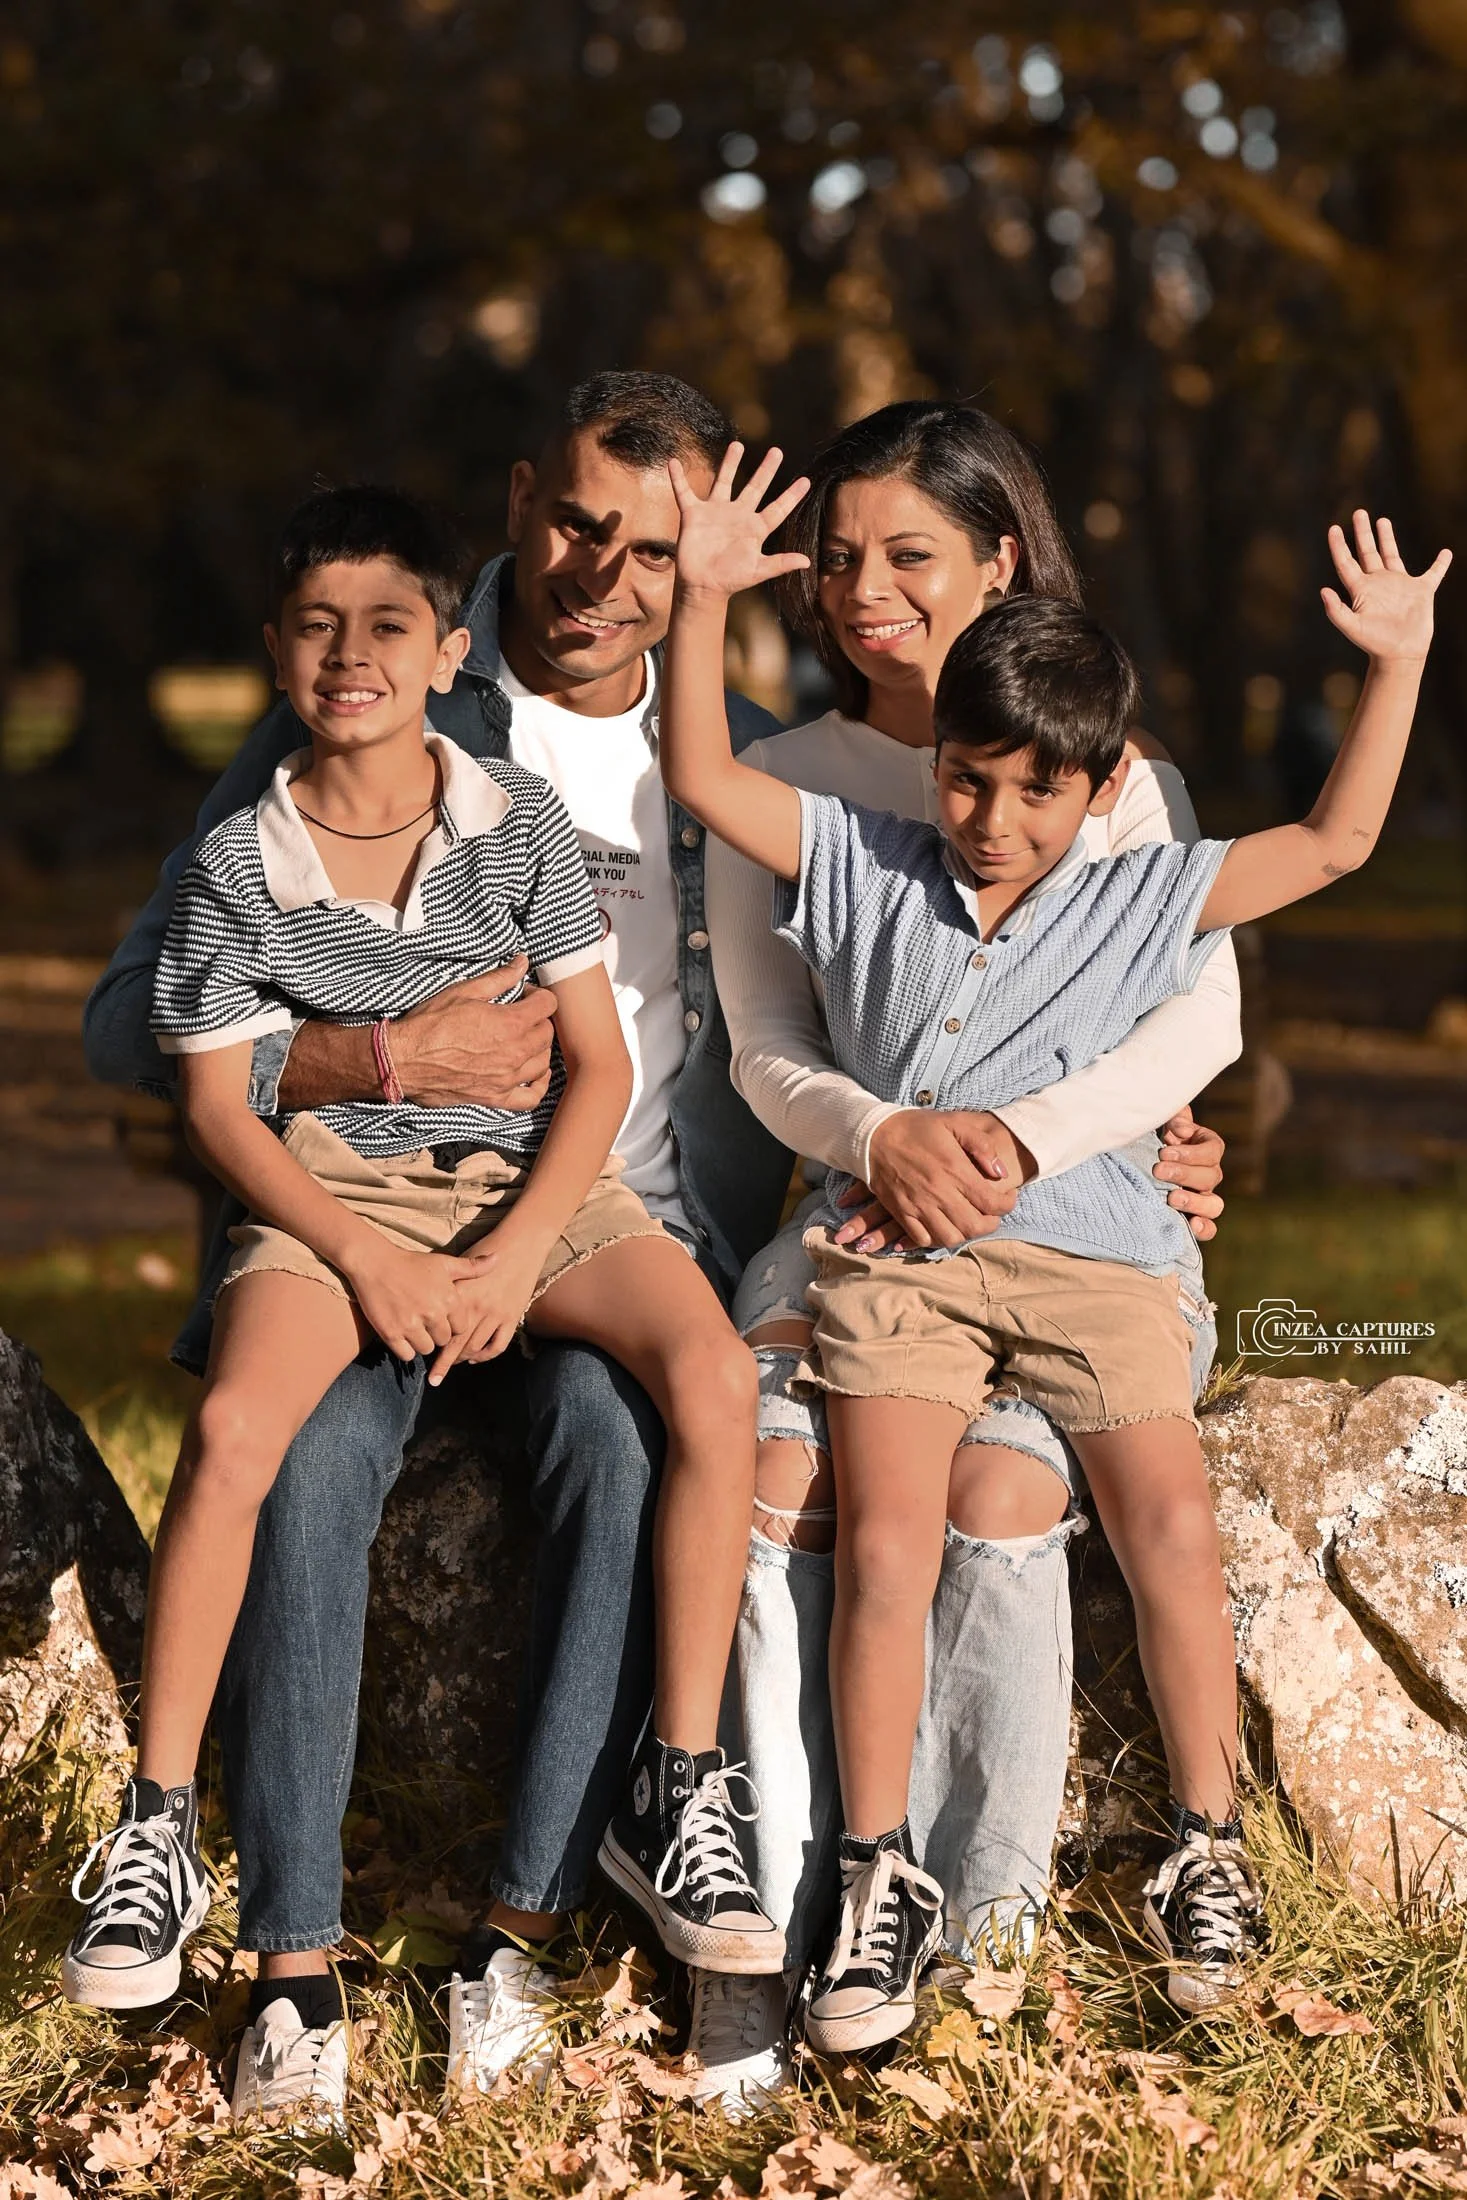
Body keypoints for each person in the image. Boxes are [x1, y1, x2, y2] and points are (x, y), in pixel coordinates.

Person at [80, 373, 795, 2121]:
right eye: (569, 522)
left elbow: (906, 994)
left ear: (703, 557)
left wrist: (1134, 1136)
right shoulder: (377, 682)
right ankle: (287, 1968)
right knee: (306, 1455)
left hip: (606, 1240)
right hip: (355, 1224)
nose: (599, 572)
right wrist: (374, 1057)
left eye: (650, 545)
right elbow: (133, 1029)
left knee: (633, 1454)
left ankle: (522, 1936)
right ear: (513, 500)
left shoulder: (741, 758)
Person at [664, 455, 1448, 2044]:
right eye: (966, 779)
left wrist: (1398, 663)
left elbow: (1341, 841)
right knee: (884, 1542)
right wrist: (698, 602)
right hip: (904, 1260)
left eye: (1036, 791)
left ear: (1099, 796)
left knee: (1165, 1522)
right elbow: (699, 777)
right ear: (932, 764)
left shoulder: (1144, 885)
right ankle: (879, 1872)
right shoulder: (858, 859)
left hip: (1095, 1256)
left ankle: (1204, 1849)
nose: (992, 818)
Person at [698, 401, 1236, 2100]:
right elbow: (764, 1047)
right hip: (860, 1212)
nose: (864, 591)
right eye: (839, 556)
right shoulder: (791, 789)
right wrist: (888, 1138)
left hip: (1062, 1223)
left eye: (908, 555)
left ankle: (984, 1929)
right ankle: (782, 1930)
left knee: (1004, 1502)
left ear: (1001, 561)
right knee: (787, 1473)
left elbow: (1183, 1028)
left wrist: (1018, 1146)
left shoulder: (1115, 779)